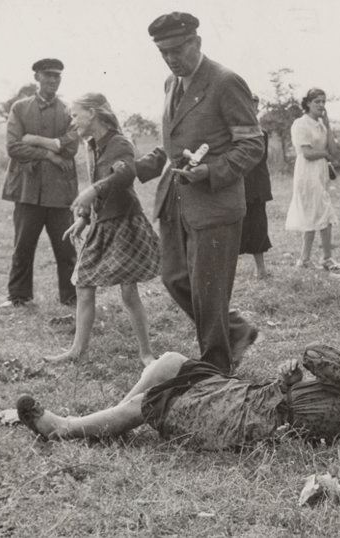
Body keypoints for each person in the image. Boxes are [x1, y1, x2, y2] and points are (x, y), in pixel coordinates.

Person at [133, 12, 263, 373]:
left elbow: (252, 145)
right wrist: (133, 169)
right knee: (174, 278)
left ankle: (217, 368)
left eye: (177, 49)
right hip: (175, 201)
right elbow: (172, 144)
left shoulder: (225, 82)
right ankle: (235, 330)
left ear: (197, 43)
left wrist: (211, 171)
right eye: (164, 52)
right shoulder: (169, 85)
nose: (172, 58)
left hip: (214, 205)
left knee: (209, 290)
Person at [16, 344, 340, 449]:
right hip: (259, 397)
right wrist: (294, 377)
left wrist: (306, 369)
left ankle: (65, 428)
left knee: (151, 403)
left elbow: (318, 354)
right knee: (169, 364)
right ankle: (111, 422)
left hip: (249, 414)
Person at [38, 94, 160, 365]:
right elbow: (97, 182)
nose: (72, 121)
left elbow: (126, 174)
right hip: (101, 223)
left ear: (92, 113)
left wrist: (93, 191)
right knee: (83, 285)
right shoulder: (92, 145)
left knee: (129, 292)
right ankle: (76, 352)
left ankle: (146, 354)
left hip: (125, 223)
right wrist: (82, 216)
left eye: (75, 115)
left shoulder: (119, 142)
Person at [0, 58, 78, 308]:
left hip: (59, 192)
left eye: (57, 76)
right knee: (23, 246)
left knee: (66, 250)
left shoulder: (68, 111)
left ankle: (72, 297)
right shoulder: (20, 109)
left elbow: (72, 145)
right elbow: (14, 147)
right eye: (48, 75)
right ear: (37, 78)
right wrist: (49, 154)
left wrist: (36, 140)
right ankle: (19, 297)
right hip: (27, 190)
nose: (53, 80)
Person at [284, 88, 340, 271]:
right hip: (307, 173)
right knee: (320, 212)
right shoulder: (301, 124)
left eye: (323, 102)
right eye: (317, 101)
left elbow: (333, 151)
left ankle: (305, 259)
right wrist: (324, 153)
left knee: (317, 212)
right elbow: (307, 153)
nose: (321, 105)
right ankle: (325, 258)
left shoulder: (321, 124)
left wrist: (327, 124)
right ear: (308, 103)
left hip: (320, 172)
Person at [240, 95, 273, 279]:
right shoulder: (231, 132)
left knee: (258, 225)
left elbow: (255, 159)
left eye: (254, 107)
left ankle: (261, 269)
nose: (251, 110)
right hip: (238, 185)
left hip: (256, 186)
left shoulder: (261, 133)